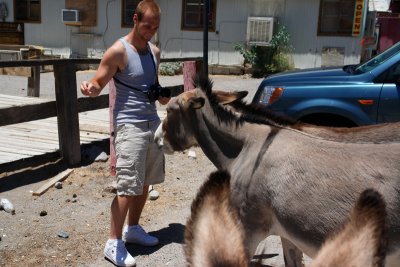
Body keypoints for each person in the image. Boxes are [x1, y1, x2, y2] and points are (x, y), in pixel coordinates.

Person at [80, 1, 169, 266]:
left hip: (152, 122)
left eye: (155, 27)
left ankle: (133, 229)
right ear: (135, 19)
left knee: (145, 181)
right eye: (146, 25)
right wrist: (92, 88)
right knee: (127, 185)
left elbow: (152, 87)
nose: (150, 31)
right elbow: (99, 80)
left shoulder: (154, 52)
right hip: (128, 125)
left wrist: (162, 95)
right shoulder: (118, 51)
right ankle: (113, 243)